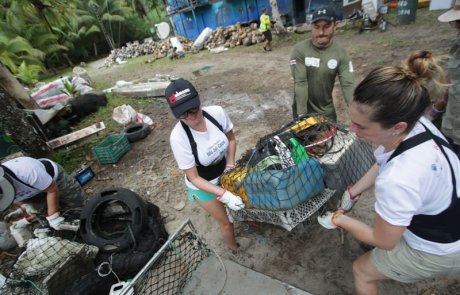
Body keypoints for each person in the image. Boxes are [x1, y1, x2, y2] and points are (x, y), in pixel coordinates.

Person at [317, 56, 460, 294]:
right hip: (451, 220)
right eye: (352, 121)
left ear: (398, 127)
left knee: (362, 271)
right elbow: (386, 159)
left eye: (361, 126)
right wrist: (354, 190)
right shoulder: (420, 124)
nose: (351, 131)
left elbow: (385, 241)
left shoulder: (398, 179)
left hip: (442, 250)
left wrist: (338, 219)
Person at [165, 79, 248, 257]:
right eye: (183, 114)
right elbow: (194, 177)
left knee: (242, 204)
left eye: (193, 109)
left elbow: (231, 140)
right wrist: (223, 194)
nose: (191, 117)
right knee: (226, 222)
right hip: (203, 183)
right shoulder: (178, 138)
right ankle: (235, 249)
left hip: (225, 170)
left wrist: (230, 165)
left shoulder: (216, 113)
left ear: (198, 100)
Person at [290, 5, 354, 120]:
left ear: (335, 25)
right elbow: (300, 82)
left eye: (326, 26)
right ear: (311, 26)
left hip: (326, 112)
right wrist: (301, 115)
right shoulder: (299, 50)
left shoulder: (341, 53)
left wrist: (355, 110)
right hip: (303, 111)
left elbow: (348, 84)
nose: (320, 32)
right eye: (316, 27)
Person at [0, 156, 85, 230]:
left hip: (53, 181)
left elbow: (52, 190)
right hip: (32, 193)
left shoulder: (26, 170)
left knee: (77, 205)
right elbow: (15, 198)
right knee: (45, 219)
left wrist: (53, 217)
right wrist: (24, 206)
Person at [435, 0, 460, 156]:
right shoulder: (457, 44)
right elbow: (453, 81)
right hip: (452, 122)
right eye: (455, 22)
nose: (456, 27)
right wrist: (438, 107)